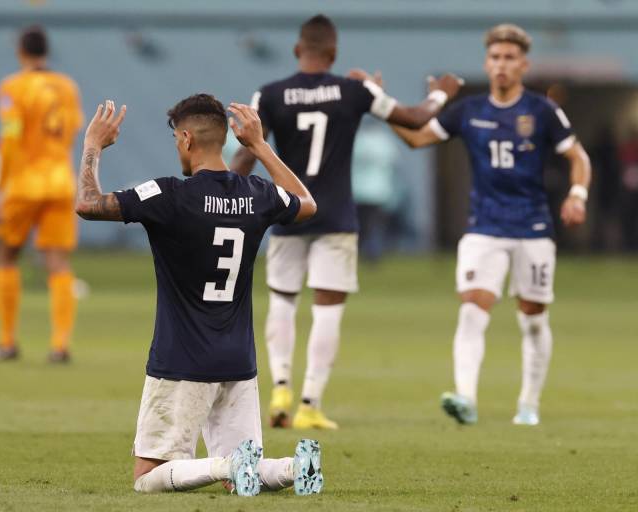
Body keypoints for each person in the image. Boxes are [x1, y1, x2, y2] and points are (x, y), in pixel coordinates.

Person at [74, 95, 323, 496]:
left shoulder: (169, 195)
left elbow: (88, 204)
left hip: (181, 361)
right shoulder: (258, 193)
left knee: (146, 478)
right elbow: (307, 203)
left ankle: (228, 462)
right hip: (238, 361)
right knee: (244, 479)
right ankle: (295, 468)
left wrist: (91, 146)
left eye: (176, 139)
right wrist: (258, 145)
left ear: (187, 138)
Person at [230, 14, 462, 429]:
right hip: (335, 215)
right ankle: (309, 404)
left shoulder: (268, 94)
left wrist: (226, 192)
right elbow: (413, 118)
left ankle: (279, 389)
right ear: (334, 54)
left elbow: (246, 155)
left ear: (298, 50)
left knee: (283, 301)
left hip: (287, 211)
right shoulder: (354, 90)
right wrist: (441, 95)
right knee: (327, 311)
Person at [383, 24, 591, 426]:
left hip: (532, 228)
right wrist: (381, 106)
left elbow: (578, 157)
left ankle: (528, 404)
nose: (501, 65)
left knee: (533, 318)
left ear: (523, 65)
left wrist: (577, 195)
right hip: (484, 228)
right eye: (495, 57)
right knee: (473, 310)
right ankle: (466, 398)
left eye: (510, 58)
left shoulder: (542, 111)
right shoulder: (469, 111)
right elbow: (417, 138)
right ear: (486, 62)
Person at [0, 25, 83, 363]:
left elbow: (10, 138)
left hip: (25, 182)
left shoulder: (13, 87)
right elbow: (71, 131)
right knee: (57, 262)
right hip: (60, 182)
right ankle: (60, 345)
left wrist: (0, 191)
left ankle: (7, 342)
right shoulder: (68, 87)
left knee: (6, 255)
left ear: (20, 52)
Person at [351, 123, 404, 260]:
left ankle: (363, 252)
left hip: (359, 191)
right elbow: (395, 163)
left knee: (361, 225)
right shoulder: (384, 142)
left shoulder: (358, 140)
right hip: (379, 191)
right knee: (375, 225)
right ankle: (373, 252)